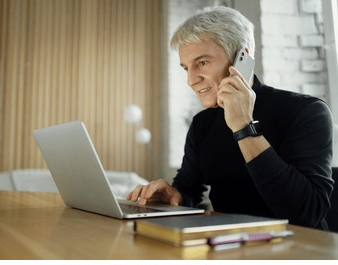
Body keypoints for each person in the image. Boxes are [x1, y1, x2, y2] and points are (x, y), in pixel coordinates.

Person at [127, 6, 334, 230]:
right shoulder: (202, 124)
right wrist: (172, 195)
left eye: (202, 63)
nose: (191, 80)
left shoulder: (306, 111)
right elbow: (188, 190)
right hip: (228, 245)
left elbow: (307, 212)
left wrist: (244, 127)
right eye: (186, 67)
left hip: (298, 251)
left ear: (241, 59)